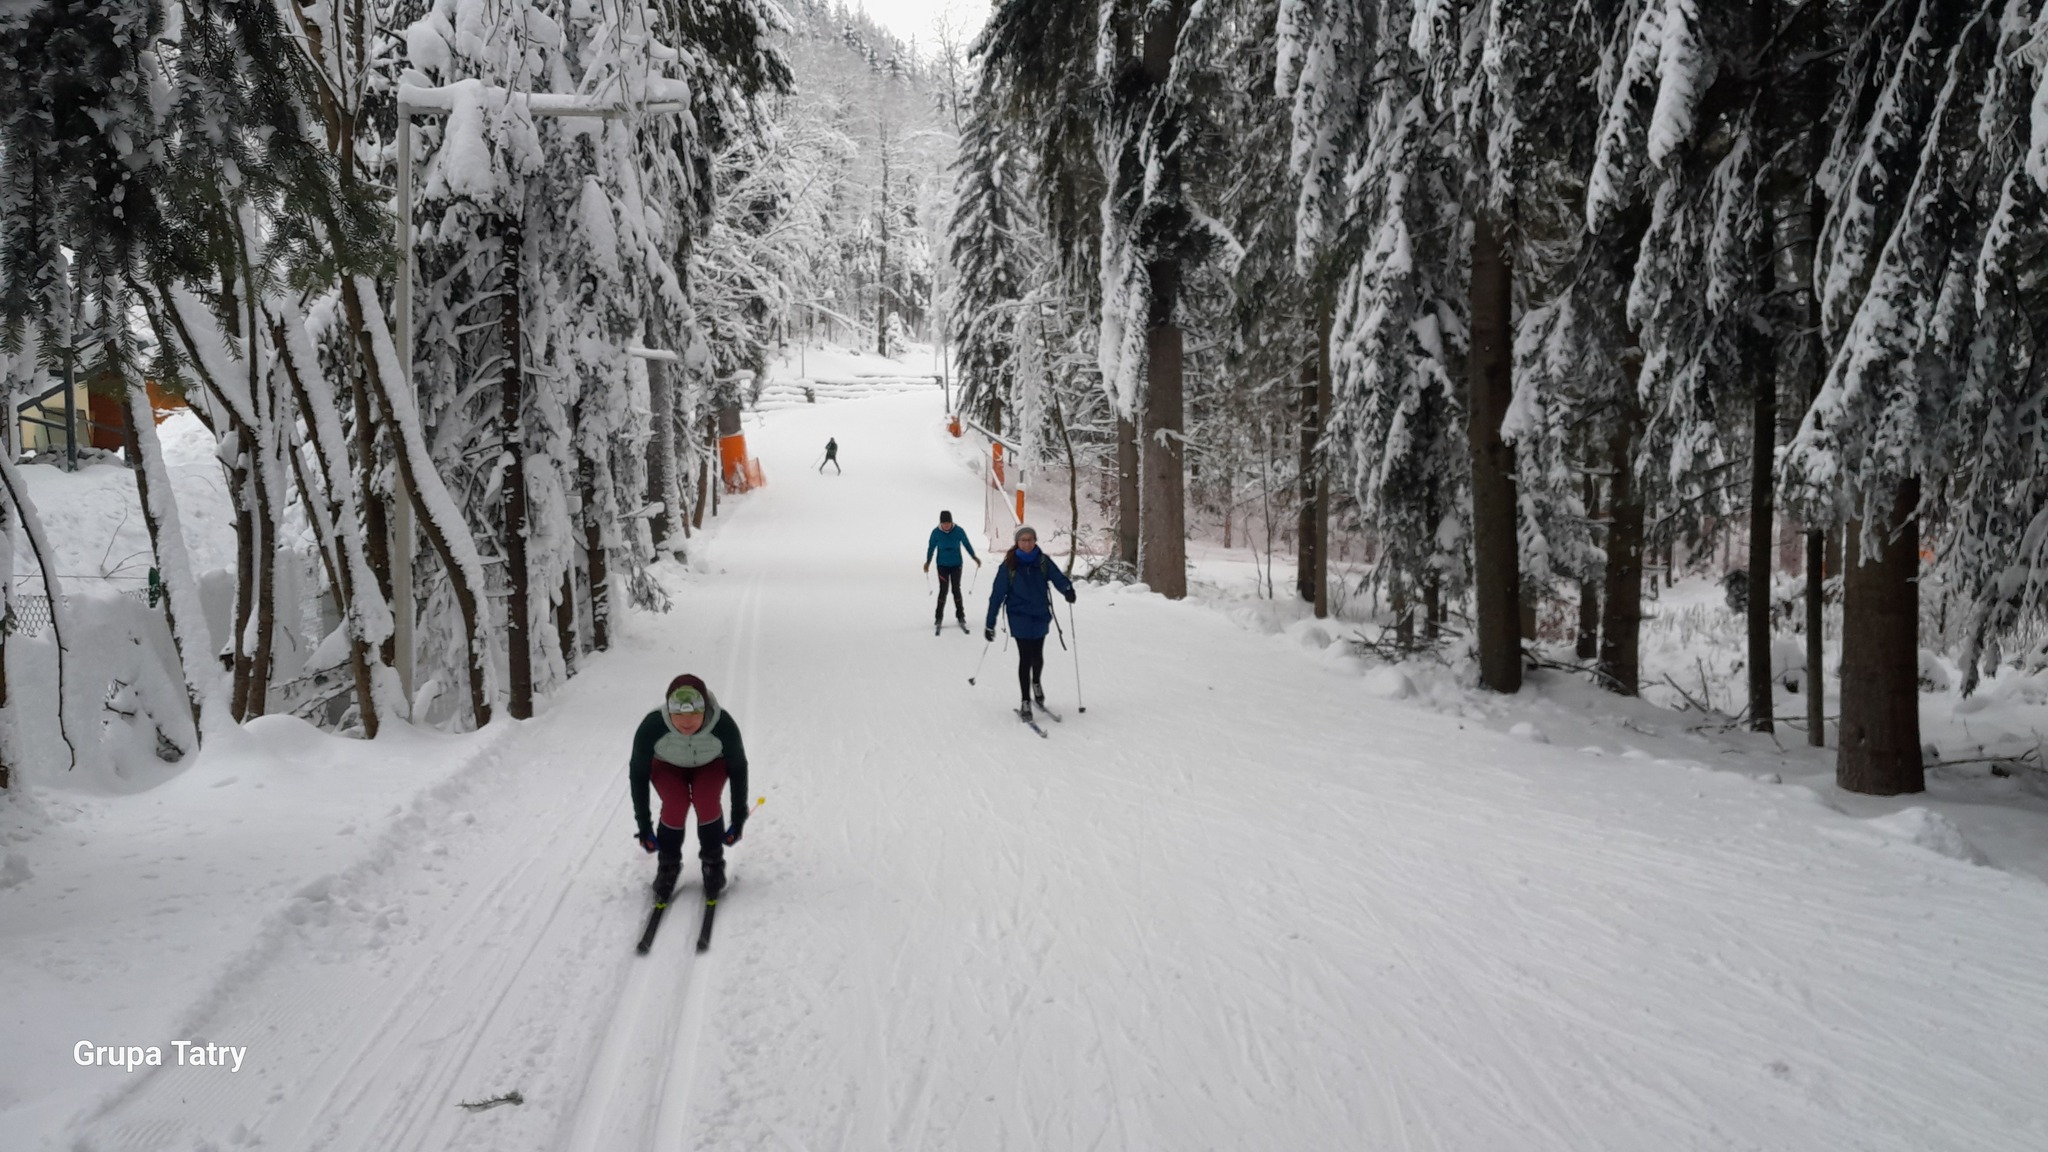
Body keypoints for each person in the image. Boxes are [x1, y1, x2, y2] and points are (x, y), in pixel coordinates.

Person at [629, 675, 750, 901]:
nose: (687, 723)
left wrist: (738, 818)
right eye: (679, 716)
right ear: (668, 712)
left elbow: (739, 769)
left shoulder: (723, 725)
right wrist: (644, 826)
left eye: (694, 714)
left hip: (710, 765)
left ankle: (713, 863)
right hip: (667, 766)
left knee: (706, 800)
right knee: (676, 802)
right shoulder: (652, 726)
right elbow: (638, 775)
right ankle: (668, 865)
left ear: (705, 710)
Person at [983, 525, 1075, 718]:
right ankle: (1025, 699)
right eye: (1023, 540)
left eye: (1030, 540)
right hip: (1019, 615)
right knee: (1025, 657)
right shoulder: (1009, 565)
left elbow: (1058, 578)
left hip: (1040, 614)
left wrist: (1067, 589)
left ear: (1035, 541)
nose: (1027, 543)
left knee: (1037, 655)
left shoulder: (1042, 561)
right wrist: (990, 622)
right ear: (1017, 542)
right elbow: (997, 595)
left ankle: (1036, 683)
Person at [924, 510, 981, 634]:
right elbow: (931, 547)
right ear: (941, 523)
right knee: (943, 590)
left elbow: (966, 544)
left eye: (948, 523)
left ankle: (960, 615)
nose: (946, 526)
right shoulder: (936, 533)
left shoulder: (959, 531)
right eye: (944, 523)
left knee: (956, 589)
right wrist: (928, 562)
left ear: (951, 521)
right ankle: (938, 617)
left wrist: (974, 557)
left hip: (956, 565)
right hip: (942, 566)